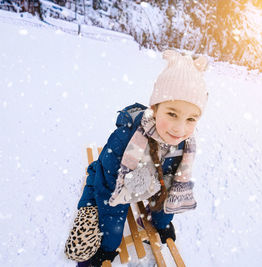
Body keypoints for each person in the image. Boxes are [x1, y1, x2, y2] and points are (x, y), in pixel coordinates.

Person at [69, 50, 208, 266]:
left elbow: (168, 185)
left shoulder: (182, 145)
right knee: (95, 202)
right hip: (108, 179)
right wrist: (109, 243)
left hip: (146, 181)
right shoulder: (125, 141)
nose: (180, 129)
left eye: (191, 119)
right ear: (154, 108)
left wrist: (161, 222)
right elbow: (109, 193)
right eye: (172, 113)